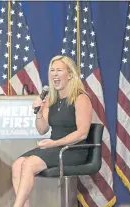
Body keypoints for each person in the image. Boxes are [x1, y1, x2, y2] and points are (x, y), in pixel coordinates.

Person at [11, 55, 93, 207]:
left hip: (73, 149)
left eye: (59, 70)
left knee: (28, 164)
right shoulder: (51, 99)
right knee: (17, 164)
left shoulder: (81, 98)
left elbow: (82, 133)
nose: (54, 74)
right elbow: (42, 130)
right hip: (54, 147)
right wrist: (39, 112)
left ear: (70, 75)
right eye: (52, 70)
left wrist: (55, 143)